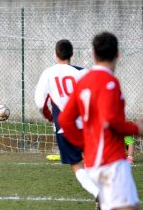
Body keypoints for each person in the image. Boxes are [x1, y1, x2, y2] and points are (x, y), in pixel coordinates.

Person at [59, 32, 143, 210]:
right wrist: (137, 128)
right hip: (111, 160)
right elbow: (111, 120)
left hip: (93, 160)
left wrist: (84, 143)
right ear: (118, 54)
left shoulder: (84, 81)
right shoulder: (109, 81)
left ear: (93, 54)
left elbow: (65, 119)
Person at [35, 40, 100, 206]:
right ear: (71, 54)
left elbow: (40, 103)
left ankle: (98, 193)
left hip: (65, 129)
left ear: (56, 54)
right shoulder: (83, 72)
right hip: (87, 127)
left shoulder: (48, 73)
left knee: (77, 165)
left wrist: (51, 118)